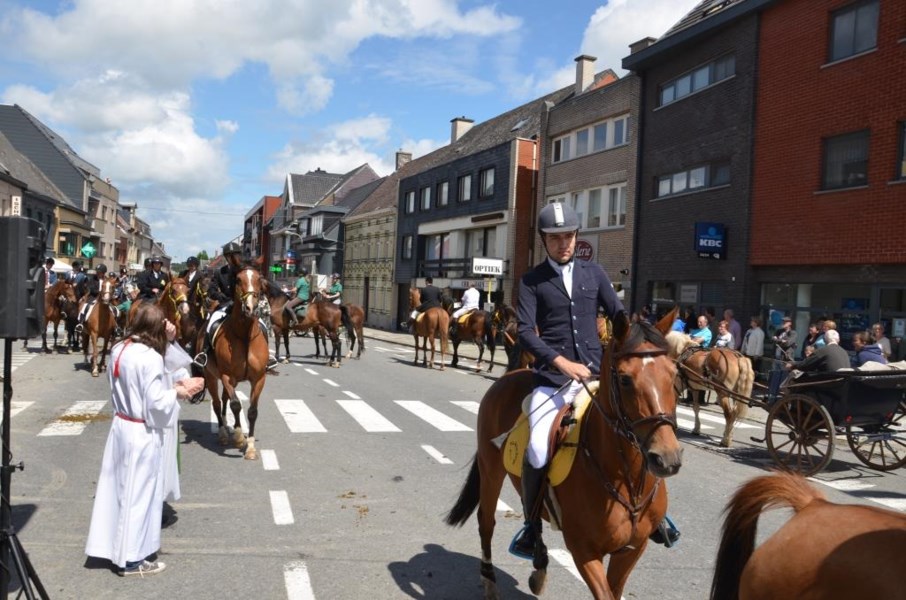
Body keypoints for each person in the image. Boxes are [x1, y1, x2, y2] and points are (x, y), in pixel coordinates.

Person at [514, 202, 677, 558]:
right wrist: (560, 362)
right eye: (555, 238)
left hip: (597, 375)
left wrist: (643, 340)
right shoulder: (531, 281)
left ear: (576, 236)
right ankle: (531, 524)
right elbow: (525, 331)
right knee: (539, 447)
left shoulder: (595, 274)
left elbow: (618, 316)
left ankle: (656, 513)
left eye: (569, 236)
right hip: (553, 380)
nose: (563, 244)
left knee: (640, 428)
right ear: (544, 240)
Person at [85, 303, 204, 576]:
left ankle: (111, 548)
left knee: (117, 492)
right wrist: (178, 391)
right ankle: (134, 559)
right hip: (141, 431)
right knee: (139, 495)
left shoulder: (118, 348)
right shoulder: (149, 357)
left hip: (120, 426)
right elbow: (156, 405)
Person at [197, 242, 277, 370]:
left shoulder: (245, 271)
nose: (232, 258)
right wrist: (223, 298)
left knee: (261, 325)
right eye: (229, 256)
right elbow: (212, 291)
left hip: (244, 305)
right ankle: (204, 353)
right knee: (211, 322)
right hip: (225, 305)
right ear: (226, 257)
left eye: (234, 255)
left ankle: (266, 356)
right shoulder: (220, 272)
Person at [75, 263, 113, 334]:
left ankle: (115, 326)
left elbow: (110, 288)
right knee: (86, 307)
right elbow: (90, 288)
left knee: (112, 309)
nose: (98, 273)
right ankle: (80, 323)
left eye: (100, 272)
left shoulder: (107, 280)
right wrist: (99, 292)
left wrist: (108, 294)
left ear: (103, 273)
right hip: (93, 297)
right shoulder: (92, 279)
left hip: (104, 298)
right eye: (97, 272)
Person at [768, 316, 798, 399]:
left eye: (785, 322)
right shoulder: (779, 331)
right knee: (775, 377)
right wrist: (780, 340)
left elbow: (787, 343)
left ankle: (781, 397)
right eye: (783, 322)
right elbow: (772, 340)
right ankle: (772, 396)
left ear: (790, 323)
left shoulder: (793, 333)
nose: (783, 323)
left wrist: (778, 340)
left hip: (785, 359)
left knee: (783, 378)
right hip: (776, 357)